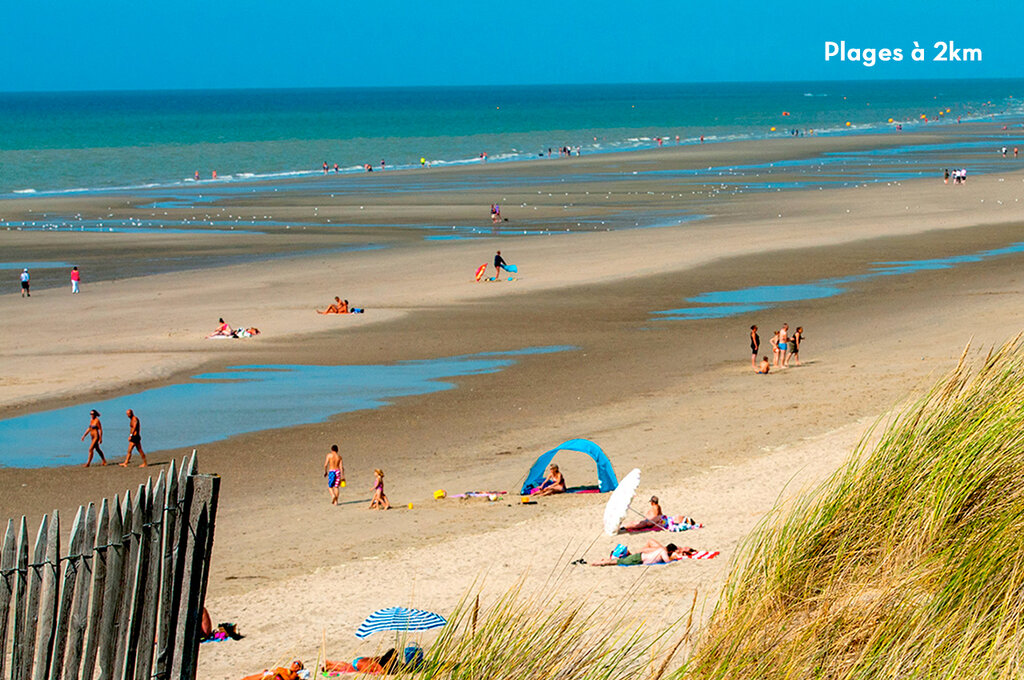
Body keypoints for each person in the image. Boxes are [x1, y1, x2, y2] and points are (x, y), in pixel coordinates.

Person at [589, 539, 696, 566]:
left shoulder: (662, 550)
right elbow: (667, 561)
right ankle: (600, 562)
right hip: (638, 558)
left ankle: (604, 561)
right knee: (617, 562)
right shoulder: (663, 551)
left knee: (620, 561)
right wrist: (677, 560)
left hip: (639, 557)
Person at [323, 648, 399, 674]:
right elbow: (382, 672)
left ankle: (330, 662)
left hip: (361, 660)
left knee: (347, 665)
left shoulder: (380, 659)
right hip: (359, 665)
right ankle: (329, 667)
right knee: (347, 668)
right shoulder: (379, 665)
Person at [240, 660, 304, 680]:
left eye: (296, 663)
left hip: (275, 677)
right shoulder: (287, 670)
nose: (293, 663)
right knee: (246, 678)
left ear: (299, 668)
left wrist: (280, 672)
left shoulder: (295, 674)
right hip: (271, 674)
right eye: (294, 662)